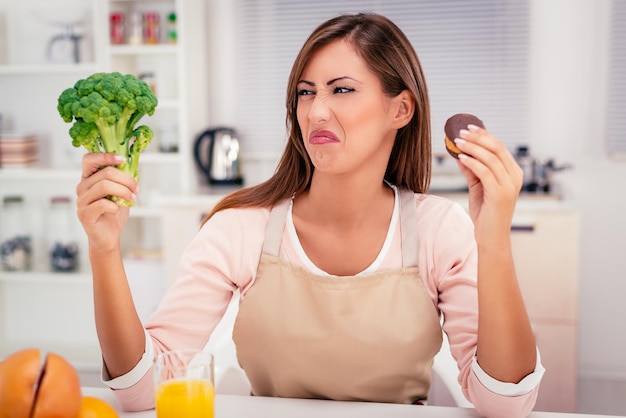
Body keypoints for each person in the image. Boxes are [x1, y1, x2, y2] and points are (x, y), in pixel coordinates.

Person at [76, 12, 544, 417]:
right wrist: (105, 249)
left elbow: (506, 404)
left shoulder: (440, 230)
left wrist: (494, 241)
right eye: (305, 92)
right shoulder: (241, 227)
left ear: (400, 109)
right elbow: (140, 392)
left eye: (341, 89)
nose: (316, 111)